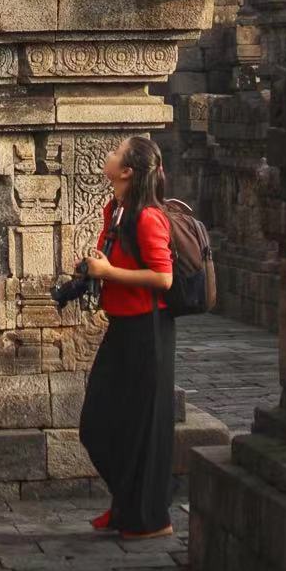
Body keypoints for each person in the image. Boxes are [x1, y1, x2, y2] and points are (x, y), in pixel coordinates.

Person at [77, 135, 175, 538]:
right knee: (97, 423)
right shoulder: (115, 210)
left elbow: (163, 277)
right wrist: (96, 265)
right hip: (123, 325)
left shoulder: (148, 217)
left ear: (128, 171)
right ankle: (128, 503)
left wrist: (108, 274)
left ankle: (148, 517)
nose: (109, 153)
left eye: (116, 152)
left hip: (147, 329)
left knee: (140, 427)